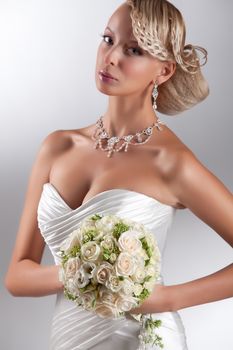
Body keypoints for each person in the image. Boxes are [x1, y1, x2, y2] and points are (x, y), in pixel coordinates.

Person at [4, 0, 233, 349]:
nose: (110, 57)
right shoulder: (57, 147)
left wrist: (166, 299)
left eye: (134, 50)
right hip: (70, 337)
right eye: (108, 39)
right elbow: (17, 277)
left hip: (142, 337)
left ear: (165, 71)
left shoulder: (171, 162)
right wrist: (78, 271)